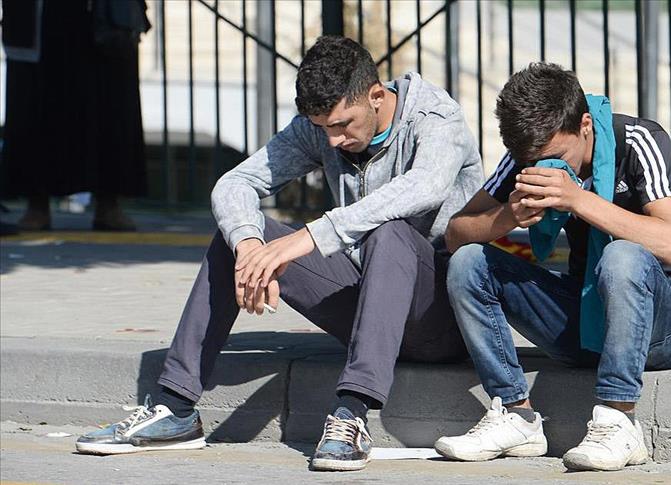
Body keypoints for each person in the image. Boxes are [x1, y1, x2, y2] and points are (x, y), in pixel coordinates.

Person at [75, 36, 484, 472]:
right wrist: (250, 246)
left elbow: (425, 188)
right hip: (367, 306)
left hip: (439, 319)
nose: (333, 140)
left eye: (343, 125)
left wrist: (313, 235)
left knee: (389, 232)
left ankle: (350, 414)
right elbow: (235, 184)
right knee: (238, 235)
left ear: (376, 96)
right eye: (324, 128)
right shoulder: (321, 130)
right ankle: (174, 409)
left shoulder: (435, 117)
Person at [436, 62, 671, 471]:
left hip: (663, 326)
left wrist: (578, 199)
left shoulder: (638, 140)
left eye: (557, 157)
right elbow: (456, 233)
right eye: (533, 161)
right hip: (584, 316)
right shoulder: (529, 155)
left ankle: (619, 420)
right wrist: (508, 216)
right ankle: (516, 415)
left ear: (584, 126)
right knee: (469, 261)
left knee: (622, 255)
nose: (546, 167)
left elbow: (670, 244)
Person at [1, 0, 149, 231]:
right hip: (41, 18)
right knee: (37, 102)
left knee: (109, 101)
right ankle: (37, 204)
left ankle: (108, 203)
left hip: (101, 17)